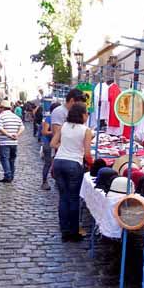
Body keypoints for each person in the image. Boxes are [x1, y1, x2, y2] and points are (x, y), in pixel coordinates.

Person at [50, 102, 92, 241]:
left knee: (63, 198)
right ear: (82, 115)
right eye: (86, 113)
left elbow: (52, 144)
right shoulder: (86, 130)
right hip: (74, 164)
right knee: (73, 199)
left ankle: (64, 231)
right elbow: (87, 154)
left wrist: (65, 146)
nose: (87, 115)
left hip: (58, 162)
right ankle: (74, 232)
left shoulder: (64, 126)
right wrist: (91, 163)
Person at [0, 99, 24, 183]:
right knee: (12, 159)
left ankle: (8, 175)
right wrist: (17, 135)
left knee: (4, 159)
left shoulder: (1, 116)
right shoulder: (15, 116)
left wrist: (8, 135)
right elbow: (22, 127)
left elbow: (0, 128)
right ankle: (11, 175)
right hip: (14, 142)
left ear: (2, 108)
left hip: (4, 142)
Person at [40, 107, 54, 190]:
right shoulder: (49, 118)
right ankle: (44, 181)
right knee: (48, 163)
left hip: (57, 144)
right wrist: (56, 132)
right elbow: (44, 132)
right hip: (48, 144)